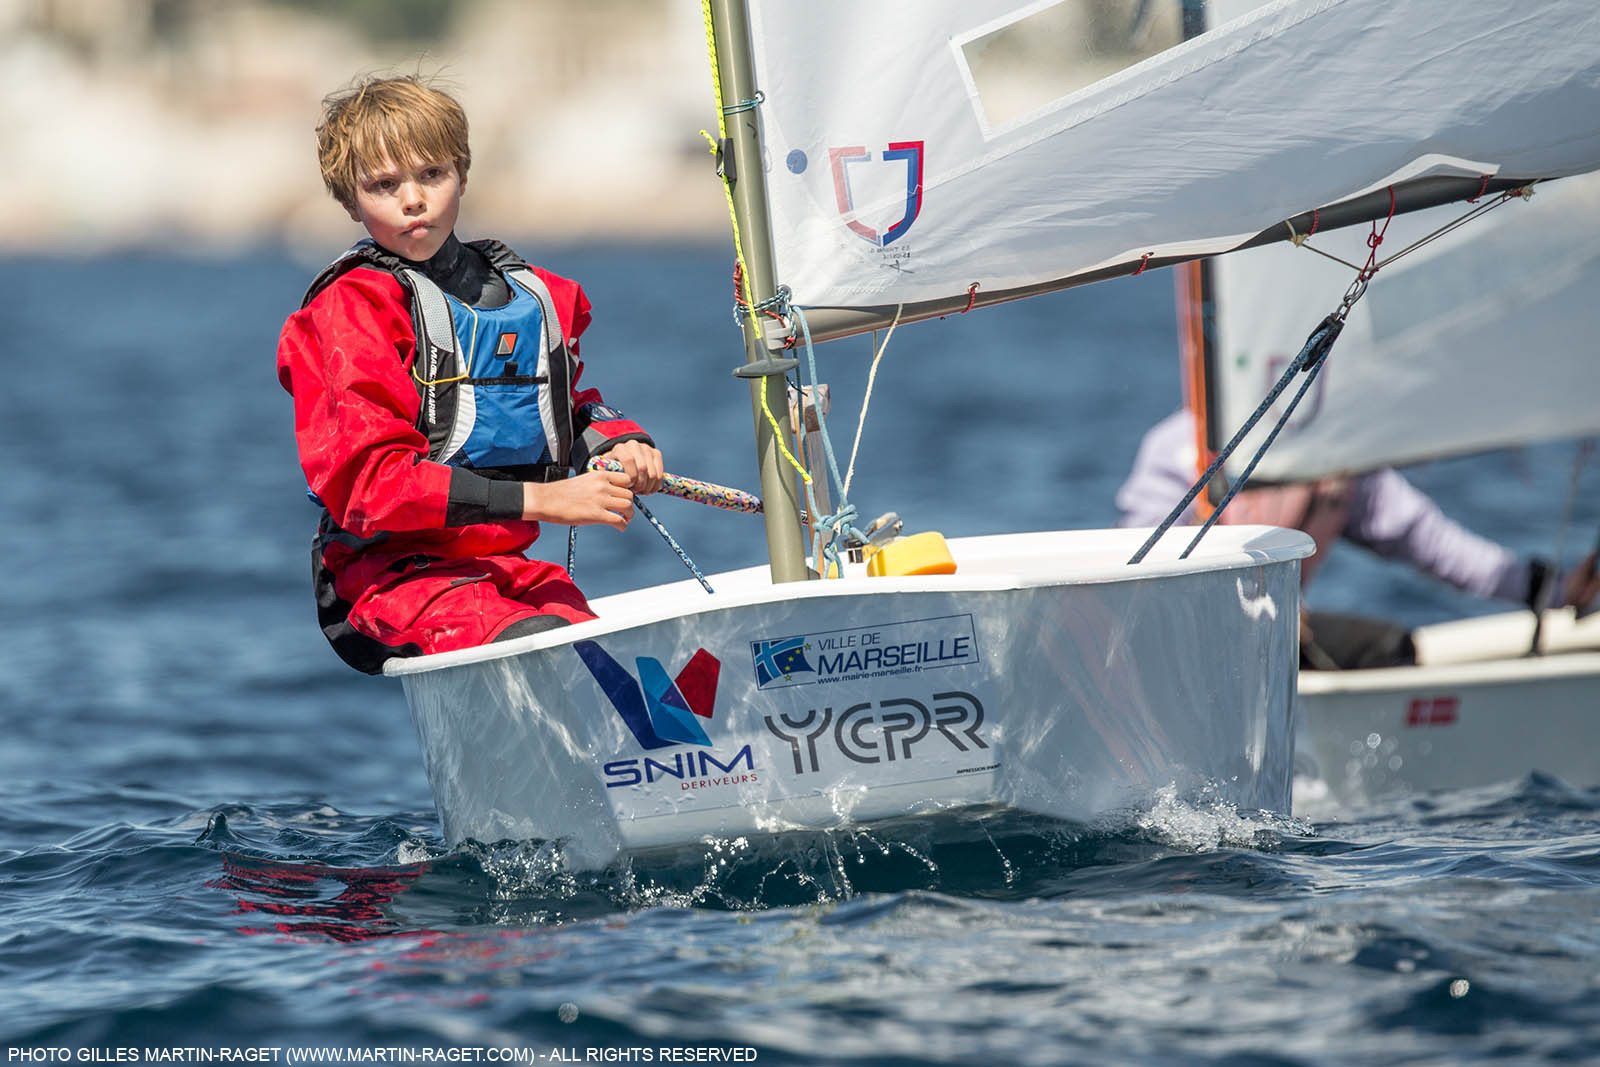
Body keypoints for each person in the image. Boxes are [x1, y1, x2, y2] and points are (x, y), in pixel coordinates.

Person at [278, 74, 664, 674]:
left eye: (431, 174)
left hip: (503, 564)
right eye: (384, 185)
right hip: (389, 575)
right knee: (539, 644)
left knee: (600, 655)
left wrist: (618, 444)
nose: (413, 199)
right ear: (351, 203)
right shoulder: (349, 312)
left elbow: (561, 404)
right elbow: (372, 485)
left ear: (461, 173)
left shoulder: (529, 295)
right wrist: (546, 500)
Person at [1117, 410, 1598, 669]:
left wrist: (1551, 589)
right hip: (1175, 646)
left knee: (1390, 649)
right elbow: (1138, 572)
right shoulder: (1179, 449)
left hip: (1276, 646)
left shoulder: (1341, 465)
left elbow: (1433, 544)